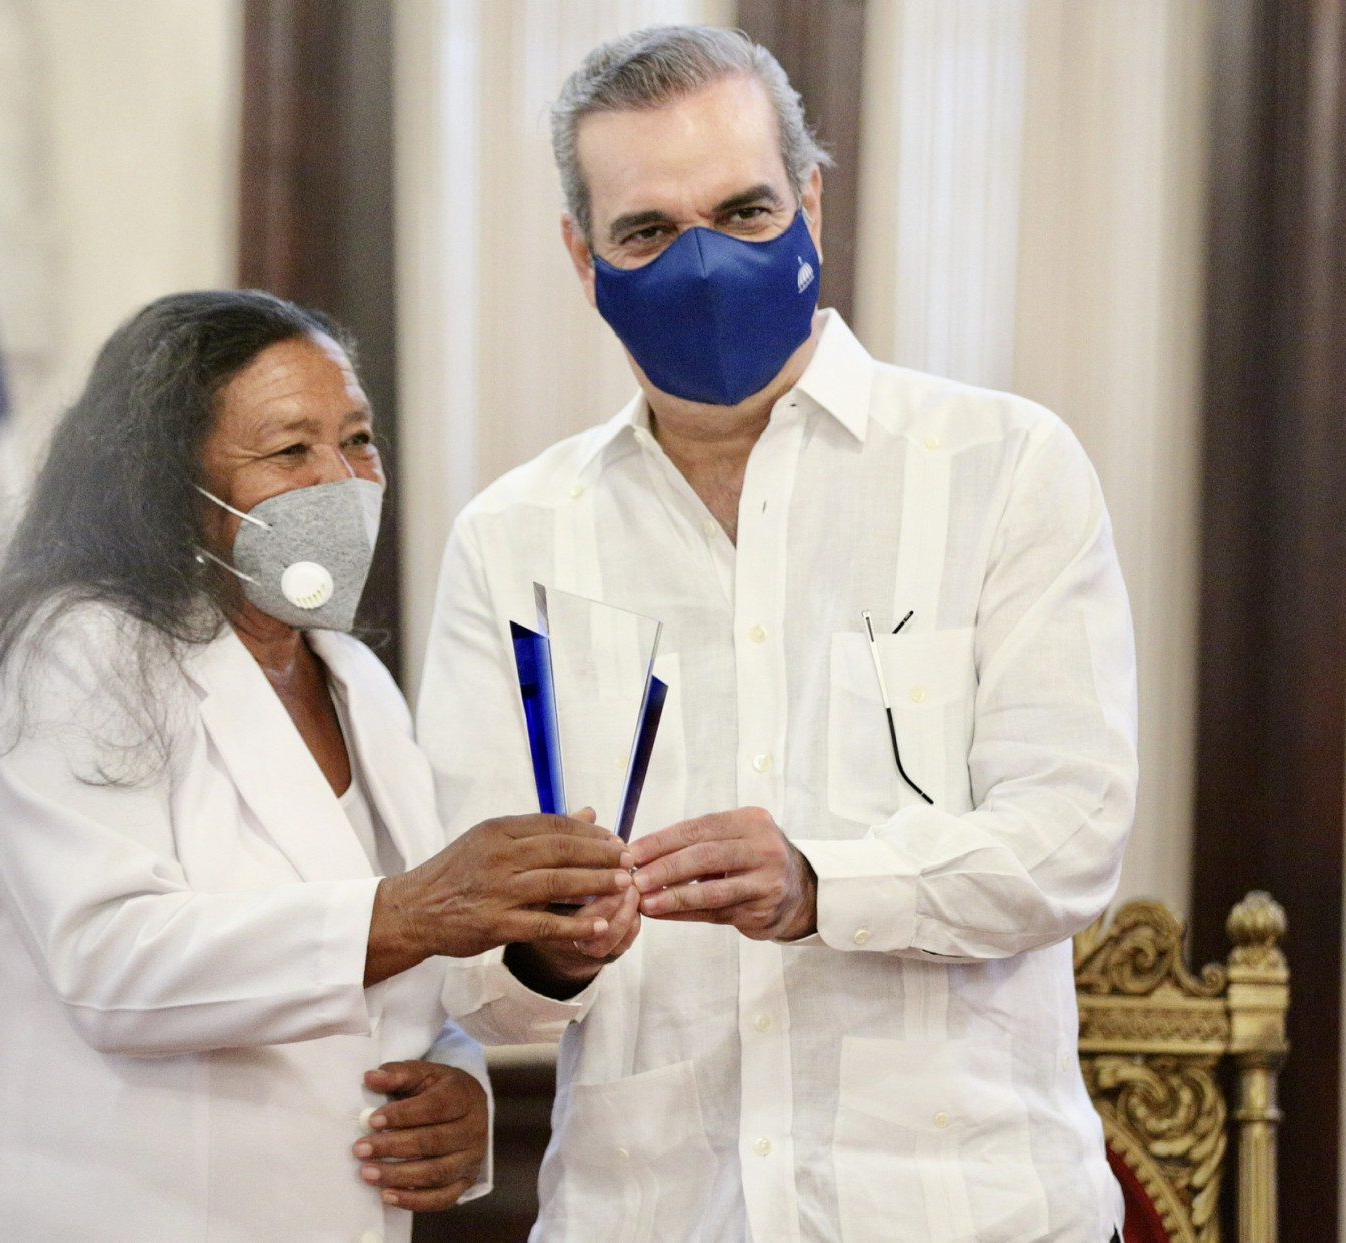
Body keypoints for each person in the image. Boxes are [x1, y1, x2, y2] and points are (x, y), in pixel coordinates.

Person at [418, 26, 1136, 1243]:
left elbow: (1071, 837)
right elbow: (476, 981)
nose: (702, 266)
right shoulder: (513, 539)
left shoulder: (1004, 467)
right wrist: (554, 953)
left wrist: (820, 883)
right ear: (582, 257)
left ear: (810, 202)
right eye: (648, 232)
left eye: (744, 212)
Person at [0, 290, 635, 1242]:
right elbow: (111, 965)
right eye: (290, 450)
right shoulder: (72, 647)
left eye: (358, 440)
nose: (341, 480)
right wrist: (413, 909)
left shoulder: (353, 677)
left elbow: (398, 991)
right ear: (169, 485)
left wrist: (468, 1067)